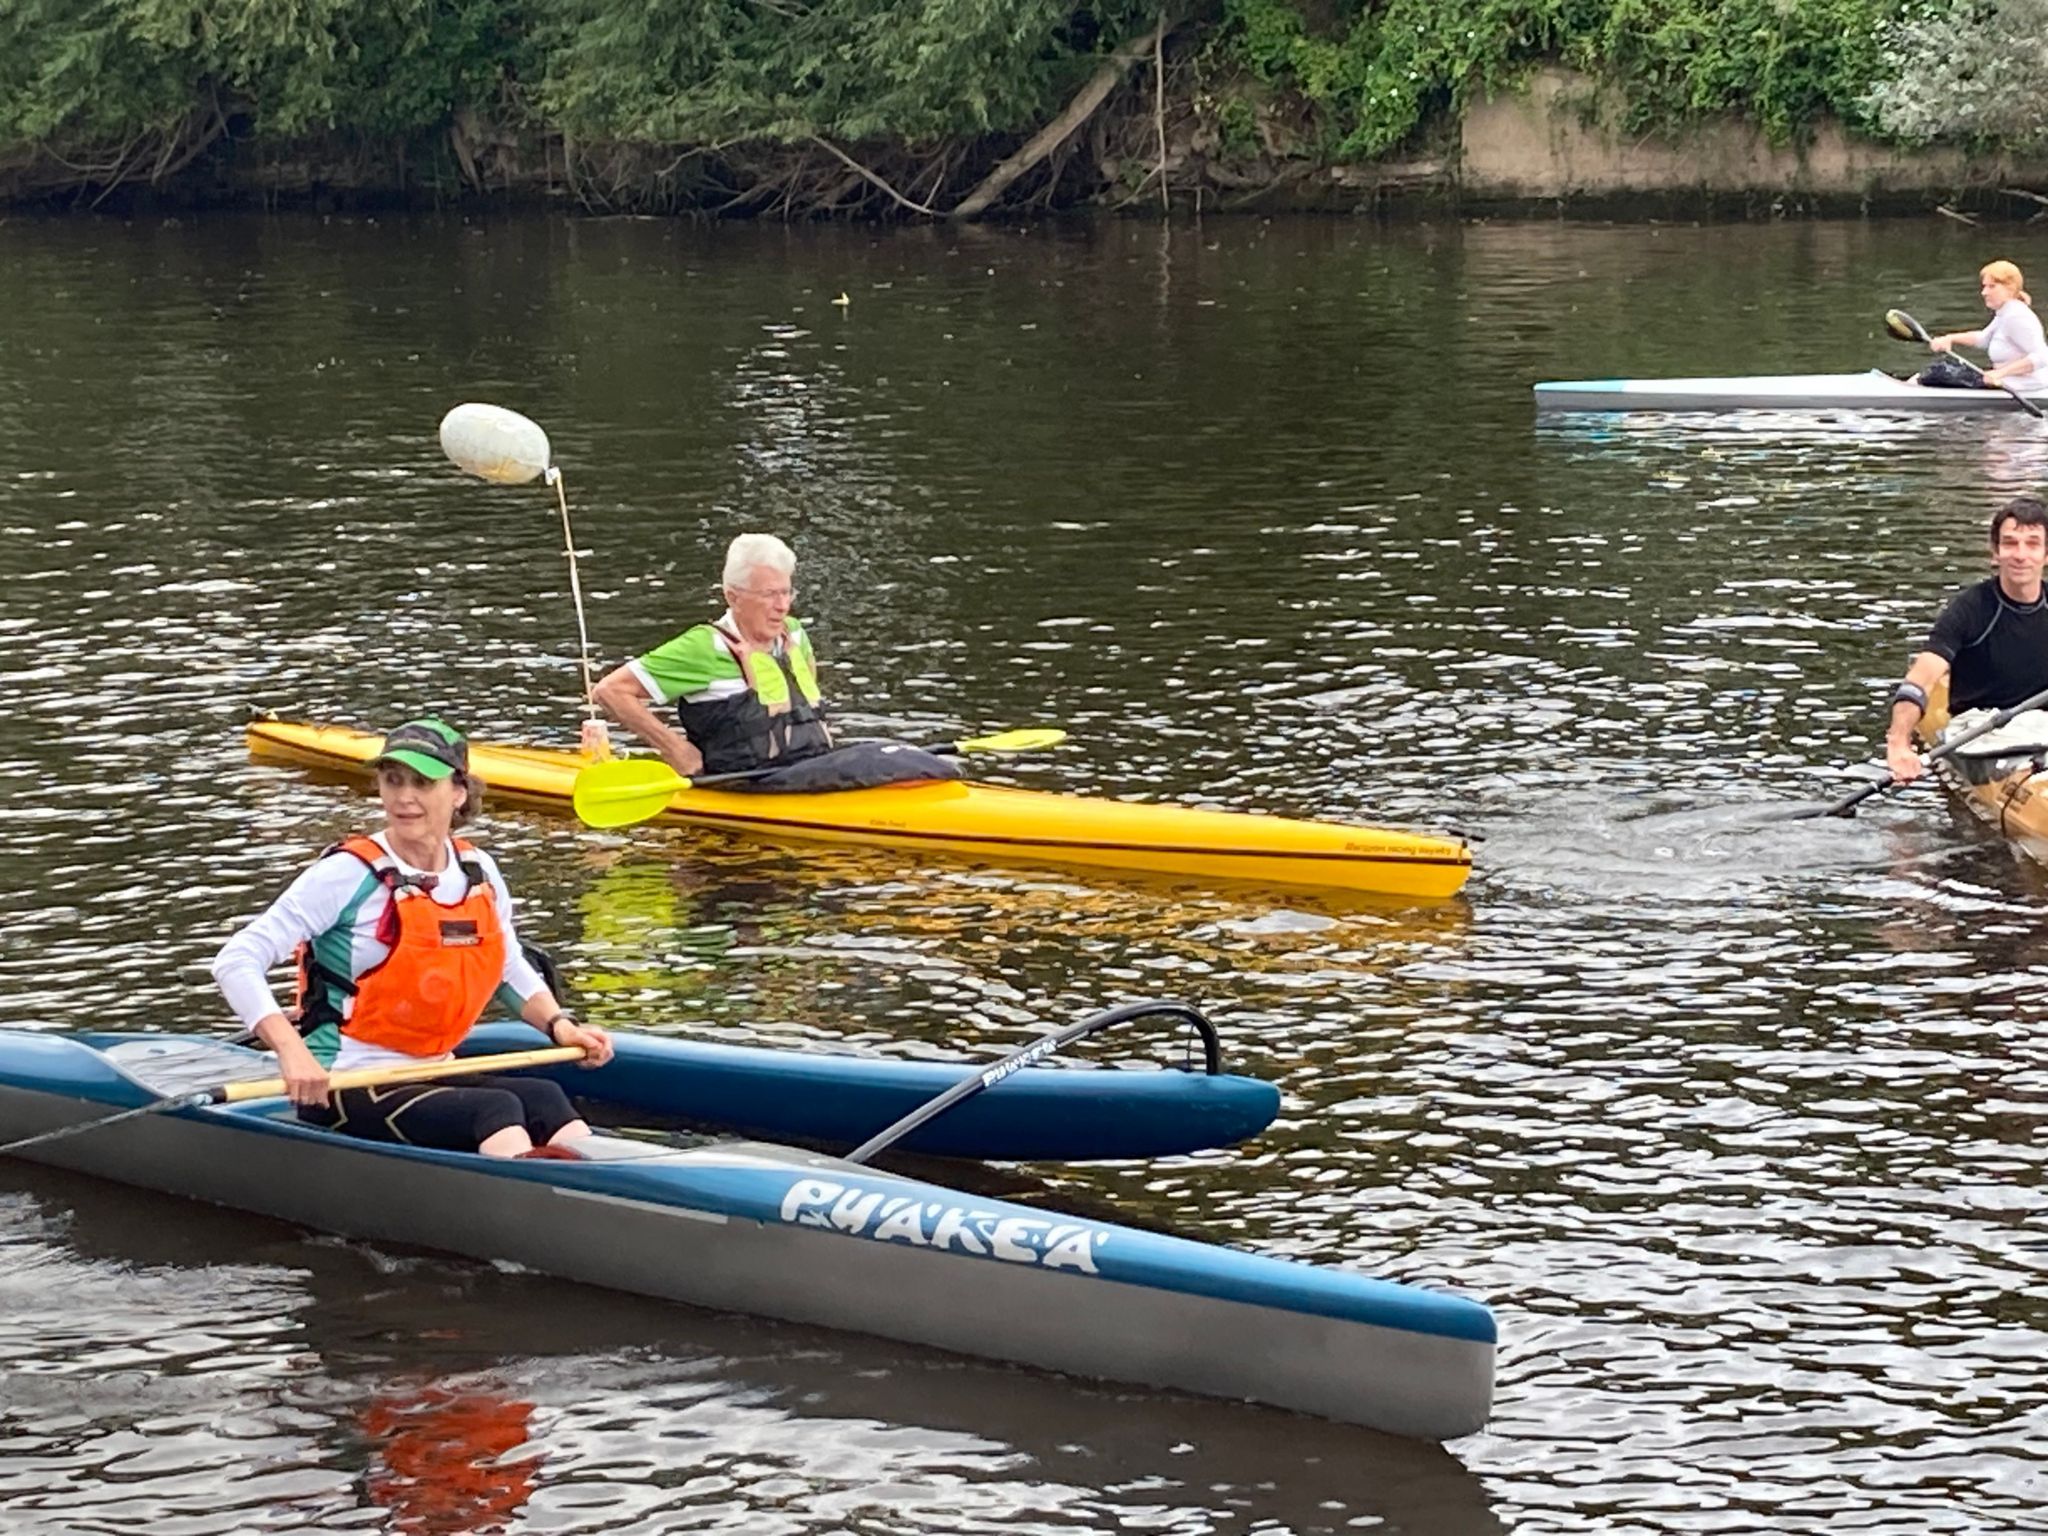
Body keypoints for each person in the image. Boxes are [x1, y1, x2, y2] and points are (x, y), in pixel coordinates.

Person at [211, 717, 614, 1157]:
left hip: (431, 1068)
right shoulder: (347, 874)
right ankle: (542, 1206)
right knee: (494, 1110)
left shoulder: (477, 870)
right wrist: (291, 1053)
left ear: (458, 793)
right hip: (341, 1079)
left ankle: (619, 1190)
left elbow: (506, 965)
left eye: (423, 782)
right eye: (393, 780)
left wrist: (560, 1026)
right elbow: (236, 960)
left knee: (545, 1099)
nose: (404, 797)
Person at [587, 532, 834, 779]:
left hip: (809, 774)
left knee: (873, 754)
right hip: (741, 785)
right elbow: (610, 691)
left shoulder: (794, 634)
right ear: (733, 598)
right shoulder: (705, 647)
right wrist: (676, 750)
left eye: (787, 592)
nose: (782, 605)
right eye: (769, 594)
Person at [1885, 495, 2048, 782]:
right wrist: (1899, 743)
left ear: (2045, 555)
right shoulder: (1970, 609)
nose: (2021, 554)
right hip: (1982, 731)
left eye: (2032, 544)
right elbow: (1918, 682)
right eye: (2010, 543)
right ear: (1995, 553)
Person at [1923, 261, 2048, 394]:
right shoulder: (2005, 312)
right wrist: (1949, 339)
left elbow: (2042, 356)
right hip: (2009, 381)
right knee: (1940, 369)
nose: (1984, 292)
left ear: (2010, 288)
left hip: (2026, 386)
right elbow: (1983, 338)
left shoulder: (2017, 317)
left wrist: (1999, 373)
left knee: (1938, 373)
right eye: (1984, 287)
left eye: (1992, 287)